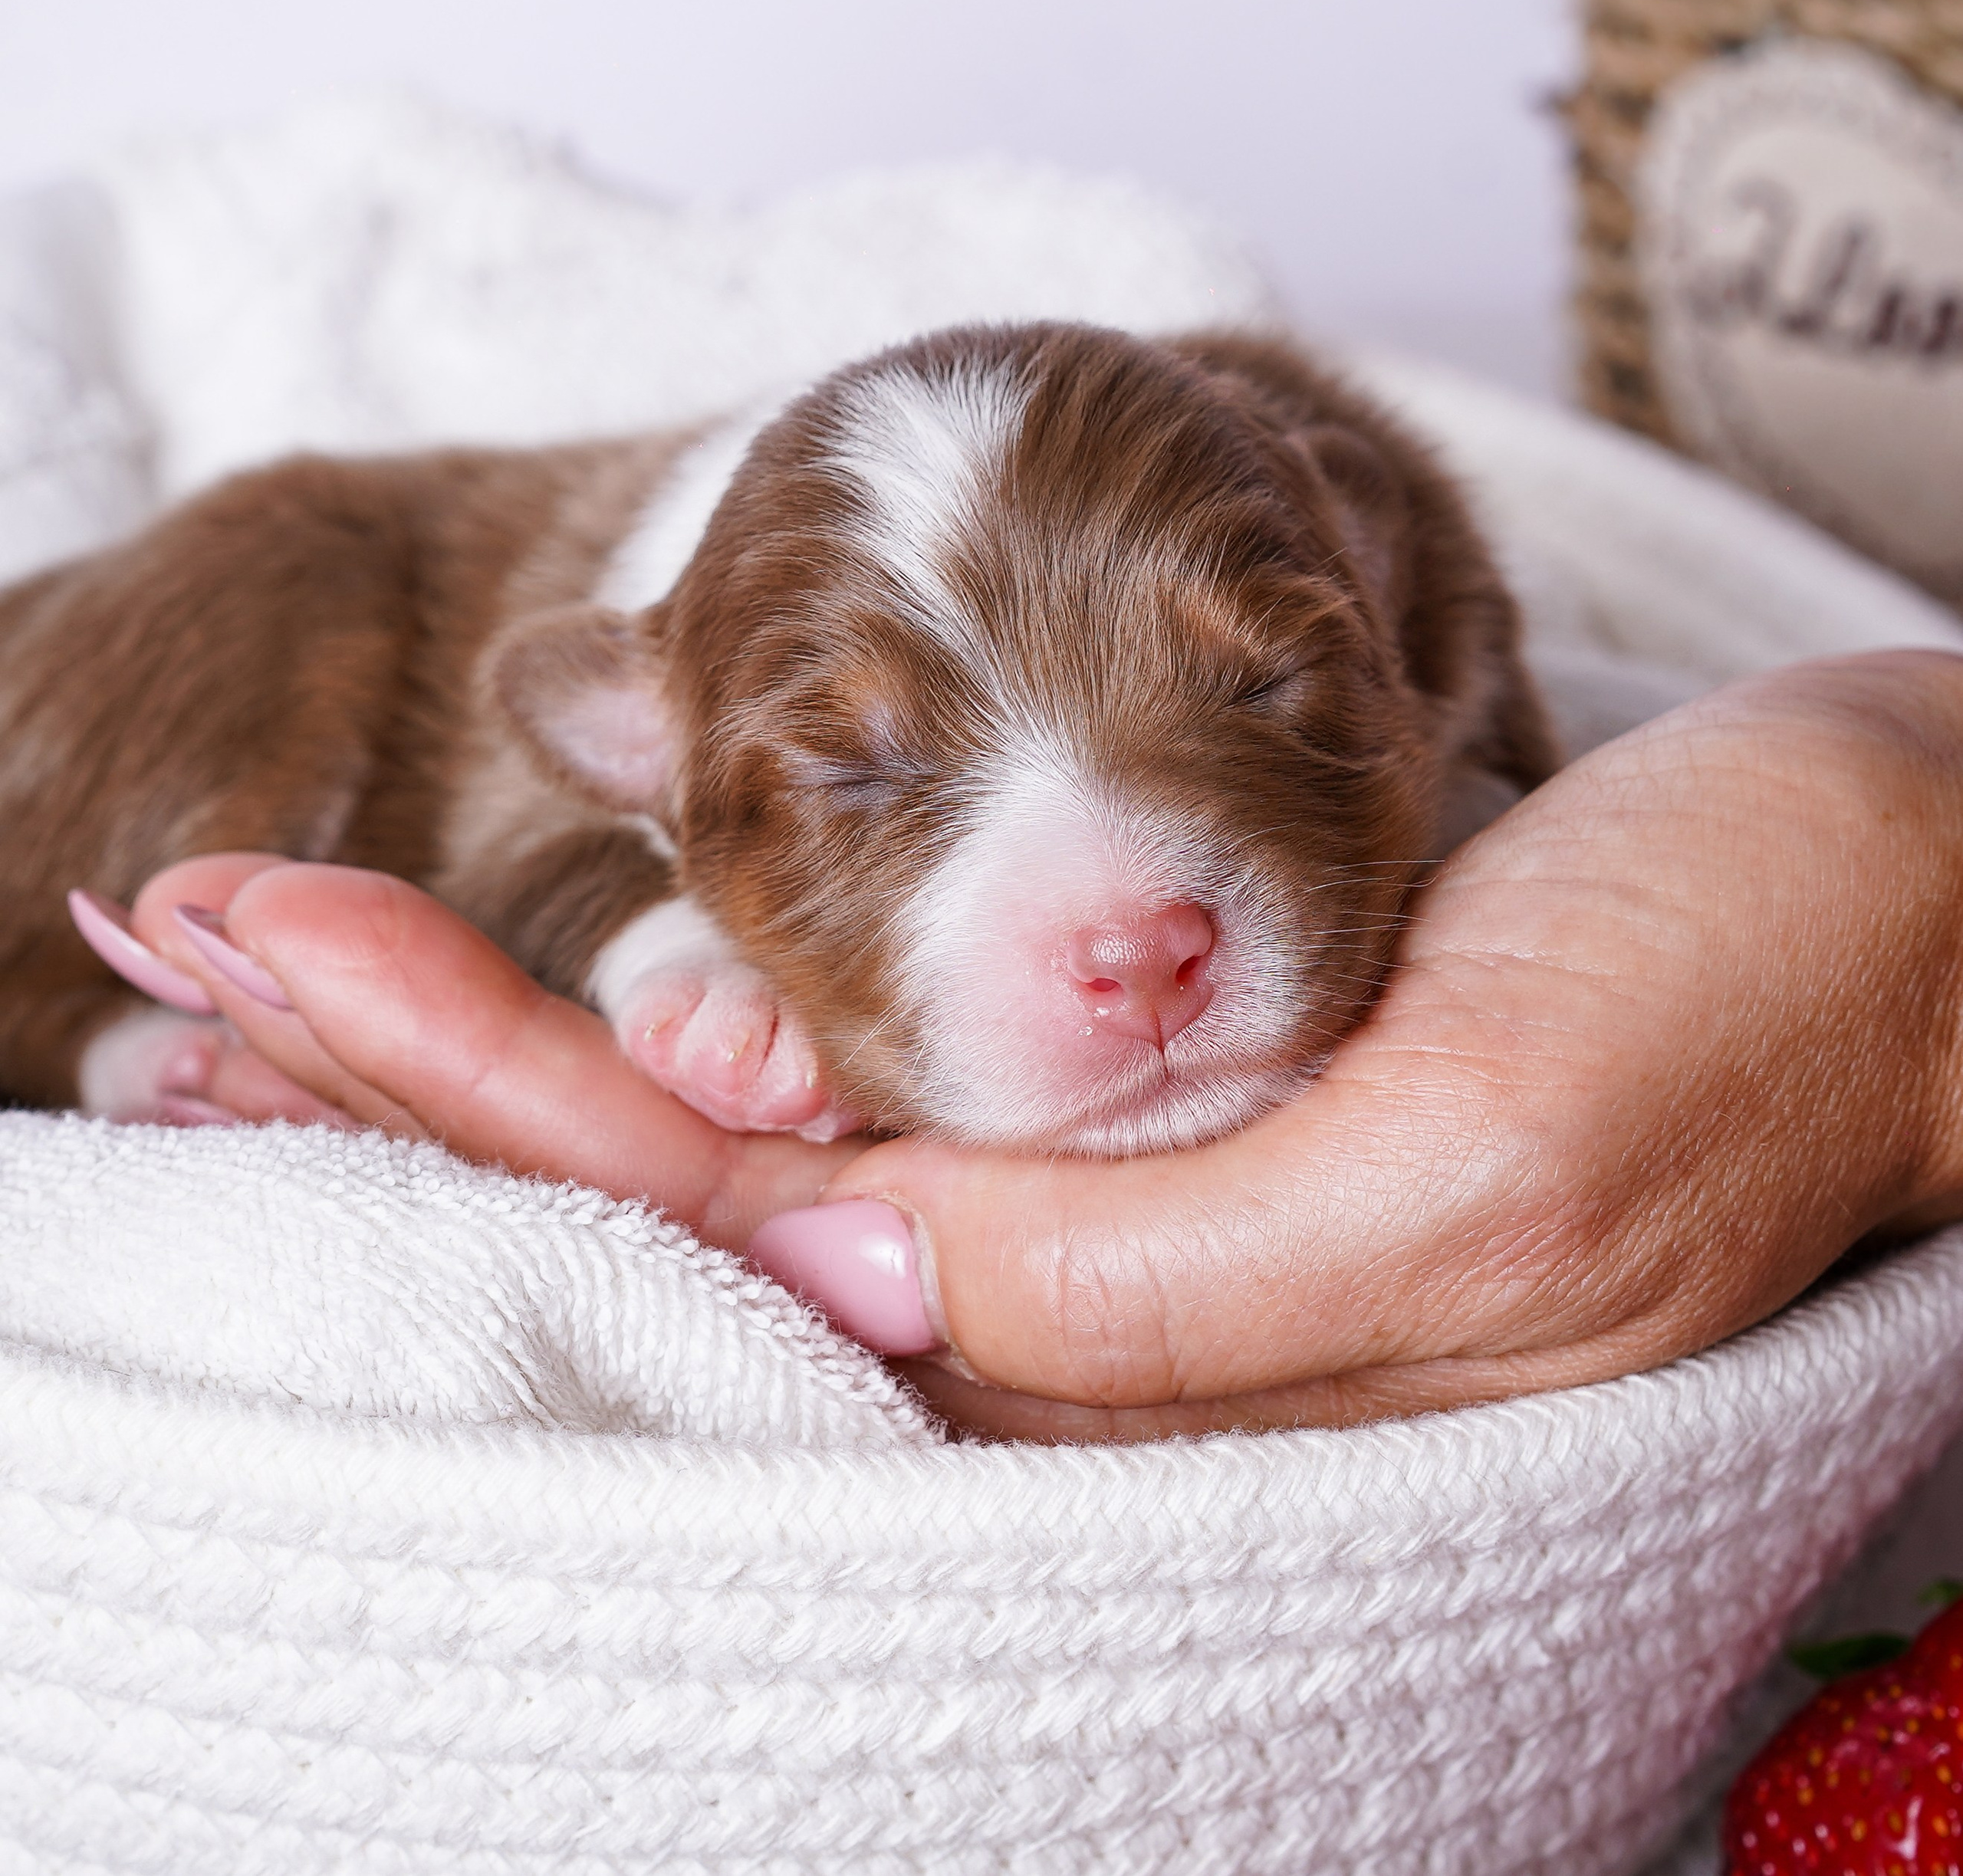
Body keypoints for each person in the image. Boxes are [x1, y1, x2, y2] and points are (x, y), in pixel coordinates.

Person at [108, 649, 1963, 1443]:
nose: (1133, 929)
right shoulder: (626, 691)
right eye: (856, 767)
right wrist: (668, 931)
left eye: (1251, 685)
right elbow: (546, 833)